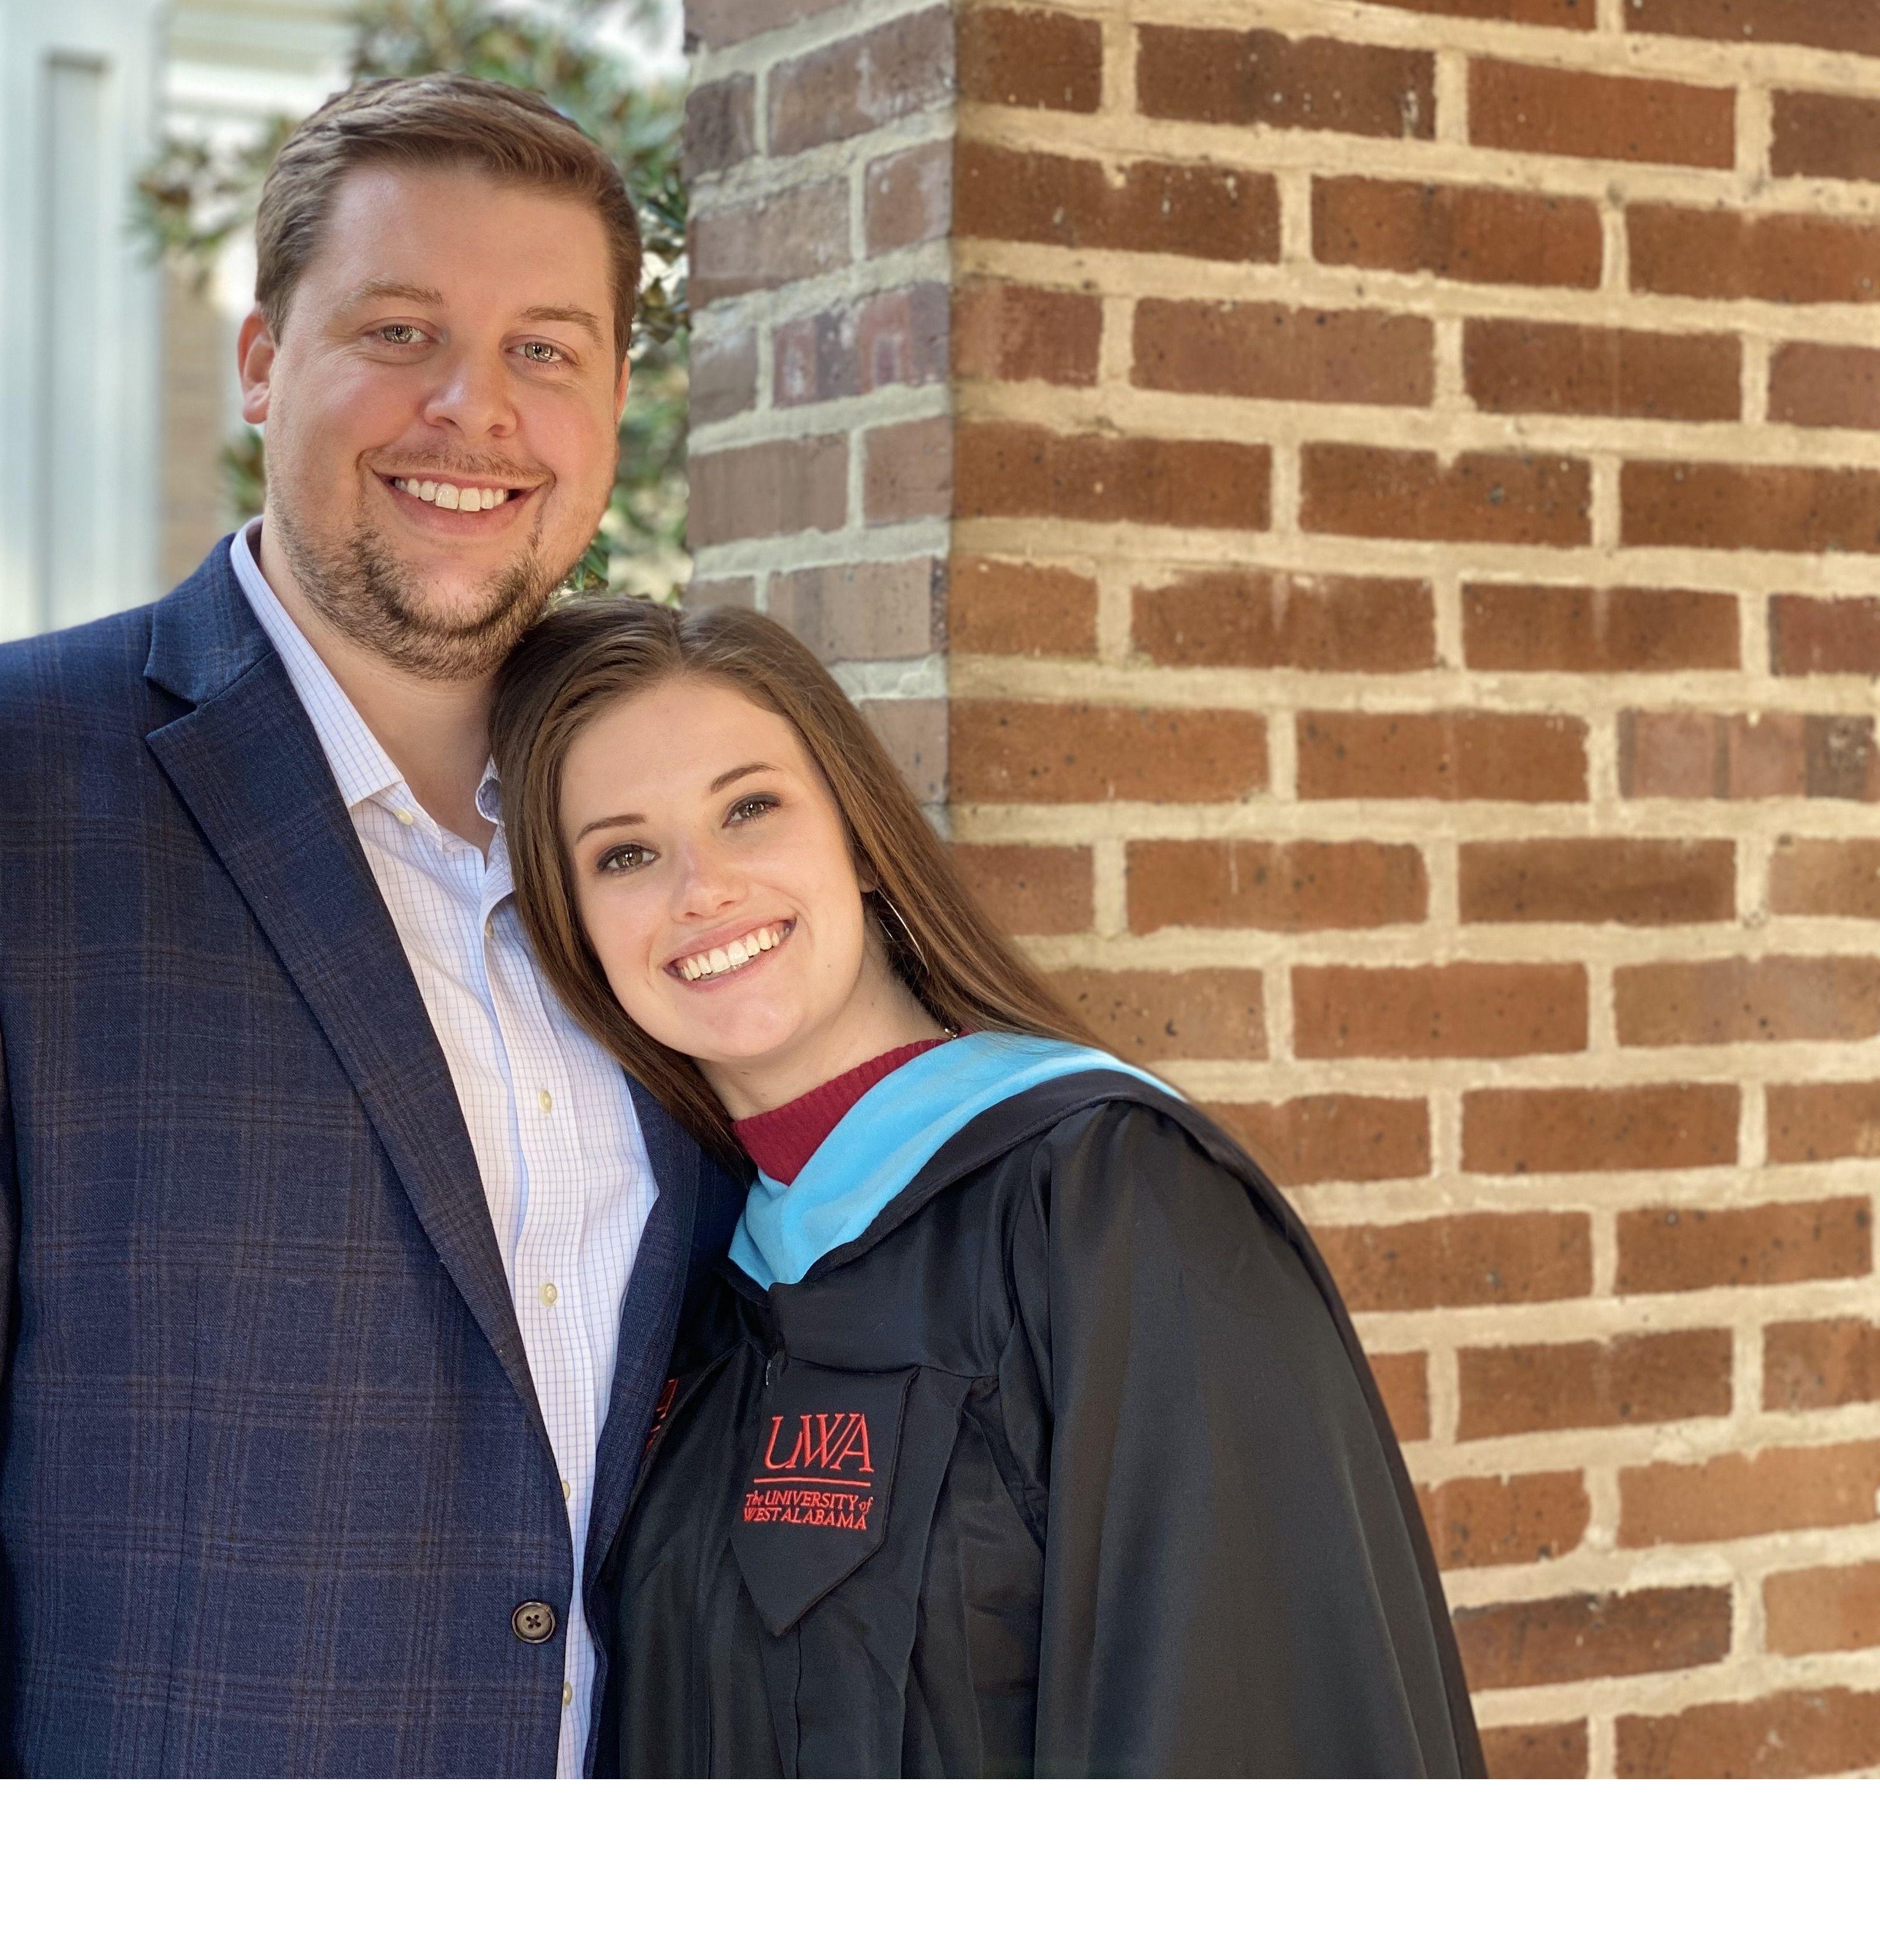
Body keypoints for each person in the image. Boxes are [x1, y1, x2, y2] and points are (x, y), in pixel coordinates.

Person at [0, 76, 741, 1777]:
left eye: (548, 350)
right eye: (401, 331)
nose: (477, 410)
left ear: (617, 400)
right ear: (261, 362)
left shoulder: (682, 833)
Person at [491, 597, 1484, 1777]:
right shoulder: (683, 1293)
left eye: (750, 809)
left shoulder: (1113, 1203)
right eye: (626, 853)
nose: (699, 889)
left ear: (858, 839)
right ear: (573, 926)